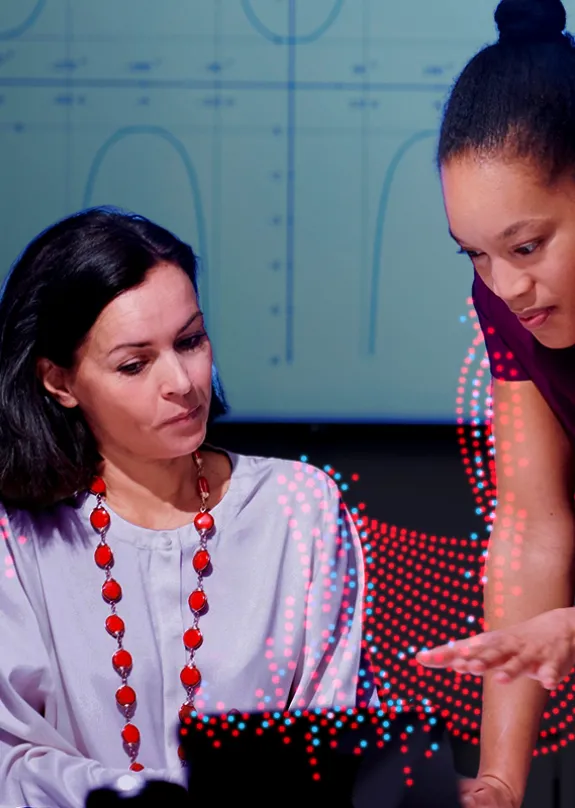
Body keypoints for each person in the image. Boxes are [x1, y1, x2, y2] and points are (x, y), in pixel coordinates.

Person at [0, 207, 374, 808]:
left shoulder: (298, 508)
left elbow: (332, 734)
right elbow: (11, 761)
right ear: (59, 382)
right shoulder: (19, 539)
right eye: (134, 364)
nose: (181, 380)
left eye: (191, 340)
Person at [414, 0, 575, 806]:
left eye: (526, 246)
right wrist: (500, 780)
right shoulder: (507, 302)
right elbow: (529, 522)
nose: (505, 286)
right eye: (474, 255)